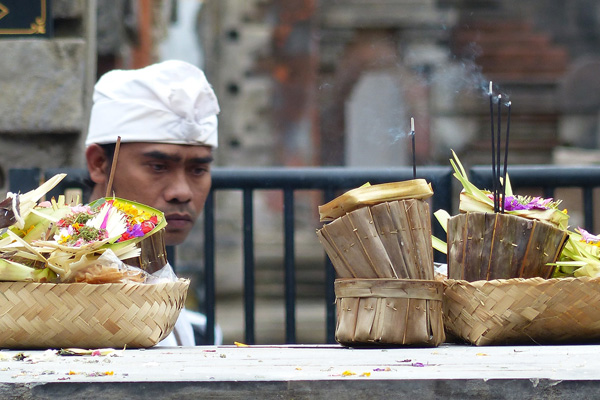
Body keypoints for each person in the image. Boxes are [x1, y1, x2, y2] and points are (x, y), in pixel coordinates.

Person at [84, 59, 222, 346]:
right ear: (99, 164)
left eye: (198, 170)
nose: (182, 192)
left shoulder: (191, 324)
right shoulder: (43, 289)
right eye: (158, 167)